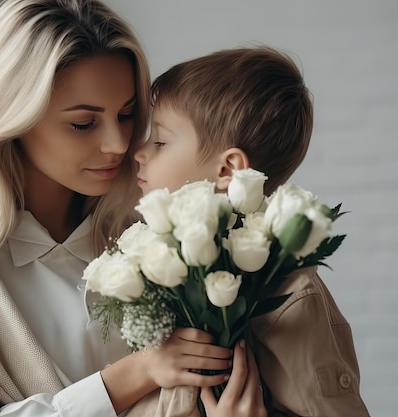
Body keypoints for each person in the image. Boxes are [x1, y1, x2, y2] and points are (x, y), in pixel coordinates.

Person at [0, 1, 267, 416]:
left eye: (128, 114)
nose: (118, 143)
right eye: (83, 123)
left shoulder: (169, 234)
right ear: (11, 118)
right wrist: (135, 374)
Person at [133, 46, 371, 417]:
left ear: (227, 170)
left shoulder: (287, 290)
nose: (139, 152)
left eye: (160, 141)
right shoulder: (159, 259)